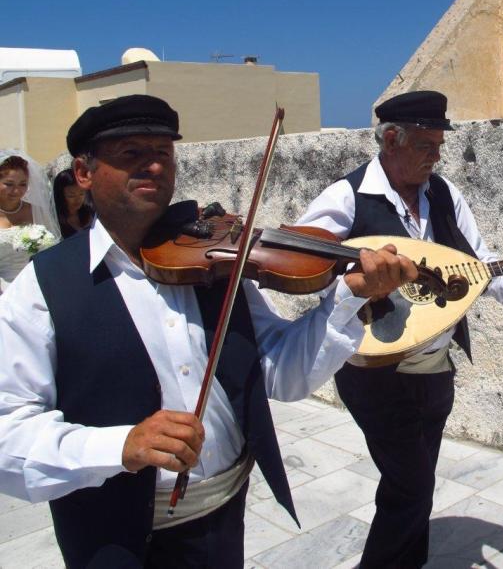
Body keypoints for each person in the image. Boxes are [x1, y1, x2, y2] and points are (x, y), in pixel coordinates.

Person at [0, 94, 417, 568]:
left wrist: (350, 296)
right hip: (113, 535)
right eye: (132, 154)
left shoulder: (218, 266)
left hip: (222, 519)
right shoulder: (44, 284)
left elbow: (281, 373)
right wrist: (121, 445)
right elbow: (8, 432)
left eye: (163, 153)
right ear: (84, 173)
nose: (154, 167)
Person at [296, 90, 503, 568]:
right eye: (425, 146)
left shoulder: (446, 194)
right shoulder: (347, 196)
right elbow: (307, 262)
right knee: (410, 487)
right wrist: (357, 279)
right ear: (391, 139)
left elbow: (478, 265)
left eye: (439, 146)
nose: (436, 156)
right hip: (375, 371)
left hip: (435, 367)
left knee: (414, 483)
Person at [0, 150, 59, 291]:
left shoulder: (36, 211)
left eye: (22, 184)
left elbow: (53, 247)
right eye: (9, 184)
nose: (16, 191)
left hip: (36, 283)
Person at [53, 167, 95, 238]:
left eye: (81, 194)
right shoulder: (55, 221)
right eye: (71, 196)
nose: (78, 199)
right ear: (61, 196)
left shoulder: (91, 212)